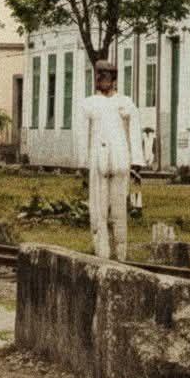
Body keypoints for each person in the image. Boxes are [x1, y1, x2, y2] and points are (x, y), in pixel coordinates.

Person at [74, 60, 143, 261]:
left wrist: (136, 160)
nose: (101, 80)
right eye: (98, 76)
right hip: (98, 161)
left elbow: (135, 131)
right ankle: (101, 254)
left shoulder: (126, 103)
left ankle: (121, 254)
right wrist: (83, 163)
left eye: (106, 76)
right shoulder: (88, 104)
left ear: (113, 79)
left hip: (121, 160)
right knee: (98, 210)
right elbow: (82, 134)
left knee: (120, 209)